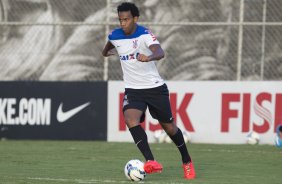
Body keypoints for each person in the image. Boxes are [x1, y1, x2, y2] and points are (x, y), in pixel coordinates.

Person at [102, 2, 196, 179]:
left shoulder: (145, 35)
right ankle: (151, 161)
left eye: (127, 19)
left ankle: (186, 159)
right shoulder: (115, 35)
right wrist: (106, 52)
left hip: (155, 89)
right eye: (120, 20)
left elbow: (160, 52)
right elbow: (108, 45)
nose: (123, 23)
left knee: (169, 128)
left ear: (135, 18)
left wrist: (149, 57)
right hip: (133, 90)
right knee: (130, 119)